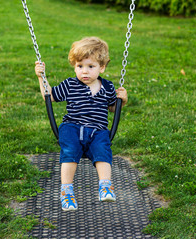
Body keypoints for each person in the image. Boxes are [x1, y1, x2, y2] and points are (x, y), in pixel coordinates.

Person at [34, 37, 128, 211]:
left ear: (102, 67)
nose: (84, 71)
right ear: (74, 66)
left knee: (103, 148)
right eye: (80, 66)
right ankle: (67, 191)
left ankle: (105, 185)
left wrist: (122, 100)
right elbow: (50, 95)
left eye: (90, 67)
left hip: (97, 130)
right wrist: (41, 77)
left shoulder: (107, 87)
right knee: (69, 150)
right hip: (72, 126)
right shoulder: (70, 84)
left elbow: (113, 109)